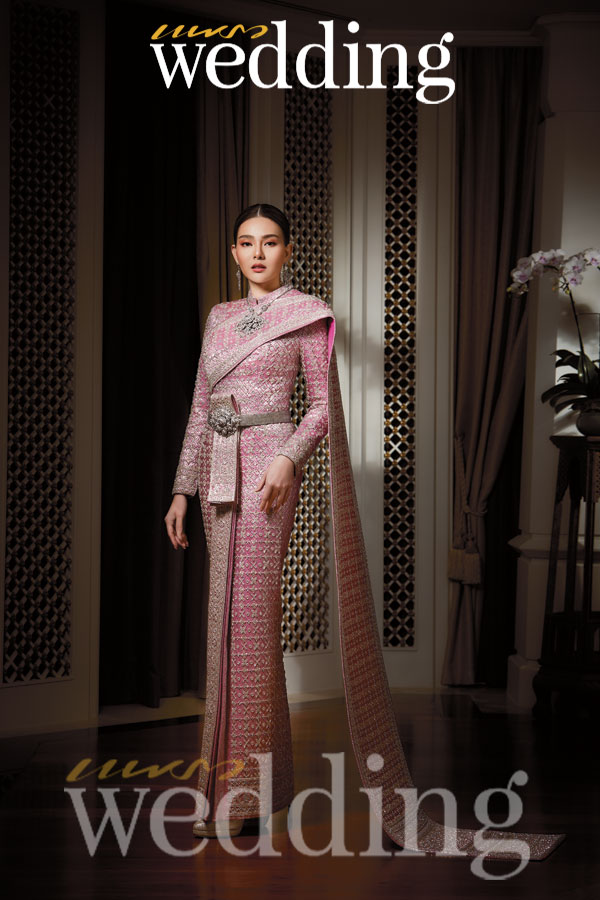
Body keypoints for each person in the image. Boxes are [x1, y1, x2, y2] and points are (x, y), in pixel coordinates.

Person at [164, 202, 565, 858]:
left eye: (270, 242)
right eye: (246, 243)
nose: (258, 253)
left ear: (288, 250)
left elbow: (322, 408)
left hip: (268, 474)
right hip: (216, 479)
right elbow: (200, 407)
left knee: (253, 630)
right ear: (233, 252)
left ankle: (241, 795)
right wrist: (182, 489)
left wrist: (289, 458)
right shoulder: (219, 317)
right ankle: (253, 788)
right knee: (224, 632)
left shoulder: (305, 313)